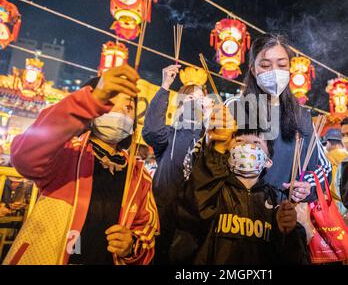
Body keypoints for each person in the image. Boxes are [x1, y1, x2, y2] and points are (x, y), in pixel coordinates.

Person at [3, 65, 159, 265]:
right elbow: (24, 155)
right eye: (109, 103)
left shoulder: (139, 176)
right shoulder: (66, 152)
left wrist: (131, 245)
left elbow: (146, 234)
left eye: (129, 107)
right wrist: (90, 101)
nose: (120, 111)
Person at [214, 34, 332, 204]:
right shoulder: (234, 107)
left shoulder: (301, 116)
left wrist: (308, 186)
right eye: (265, 65)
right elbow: (209, 159)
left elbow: (324, 167)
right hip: (237, 214)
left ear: (290, 68)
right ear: (253, 70)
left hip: (284, 217)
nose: (274, 72)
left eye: (282, 64)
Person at [189, 124, 309, 264]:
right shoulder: (212, 191)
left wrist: (289, 232)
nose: (247, 146)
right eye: (239, 141)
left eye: (256, 142)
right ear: (228, 153)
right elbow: (189, 217)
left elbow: (295, 257)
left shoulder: (278, 201)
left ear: (268, 162)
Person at [142, 64, 213, 264]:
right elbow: (152, 131)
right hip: (161, 214)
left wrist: (209, 119)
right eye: (188, 99)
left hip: (194, 221)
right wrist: (165, 85)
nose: (193, 103)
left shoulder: (207, 136)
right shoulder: (168, 135)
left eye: (198, 99)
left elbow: (216, 158)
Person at [323, 128, 348, 201]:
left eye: (326, 143)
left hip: (334, 202)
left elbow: (328, 186)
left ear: (329, 142)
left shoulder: (326, 159)